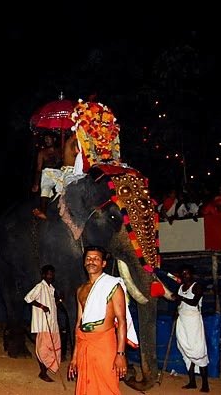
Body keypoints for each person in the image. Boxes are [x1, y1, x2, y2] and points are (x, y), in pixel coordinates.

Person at [67, 246, 138, 395]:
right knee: (86, 386)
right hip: (84, 343)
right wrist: (74, 357)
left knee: (107, 387)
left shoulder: (113, 285)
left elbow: (122, 321)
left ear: (103, 264)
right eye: (88, 258)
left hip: (104, 344)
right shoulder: (80, 290)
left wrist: (120, 354)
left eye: (96, 259)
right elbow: (78, 323)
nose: (91, 261)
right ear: (84, 262)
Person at [171, 264, 209, 392]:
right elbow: (179, 303)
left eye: (187, 273)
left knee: (197, 350)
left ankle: (205, 384)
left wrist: (180, 297)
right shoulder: (181, 287)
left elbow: (193, 302)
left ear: (191, 274)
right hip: (183, 321)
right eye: (183, 274)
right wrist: (176, 313)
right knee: (184, 349)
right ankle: (192, 382)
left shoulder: (197, 286)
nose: (185, 275)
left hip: (193, 322)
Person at [24, 265, 61, 382]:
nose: (51, 276)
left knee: (53, 348)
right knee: (43, 350)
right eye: (49, 274)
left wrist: (59, 301)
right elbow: (28, 298)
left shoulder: (51, 289)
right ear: (44, 275)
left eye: (52, 274)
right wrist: (41, 306)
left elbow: (52, 307)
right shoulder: (40, 287)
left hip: (53, 325)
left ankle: (47, 370)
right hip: (44, 325)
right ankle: (43, 372)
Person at [33, 133, 79, 219]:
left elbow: (67, 160)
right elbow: (38, 169)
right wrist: (36, 183)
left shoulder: (60, 150)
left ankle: (69, 211)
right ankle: (43, 211)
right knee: (45, 189)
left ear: (54, 139)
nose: (46, 140)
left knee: (65, 188)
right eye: (45, 138)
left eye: (48, 138)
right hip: (47, 173)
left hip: (59, 172)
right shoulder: (42, 153)